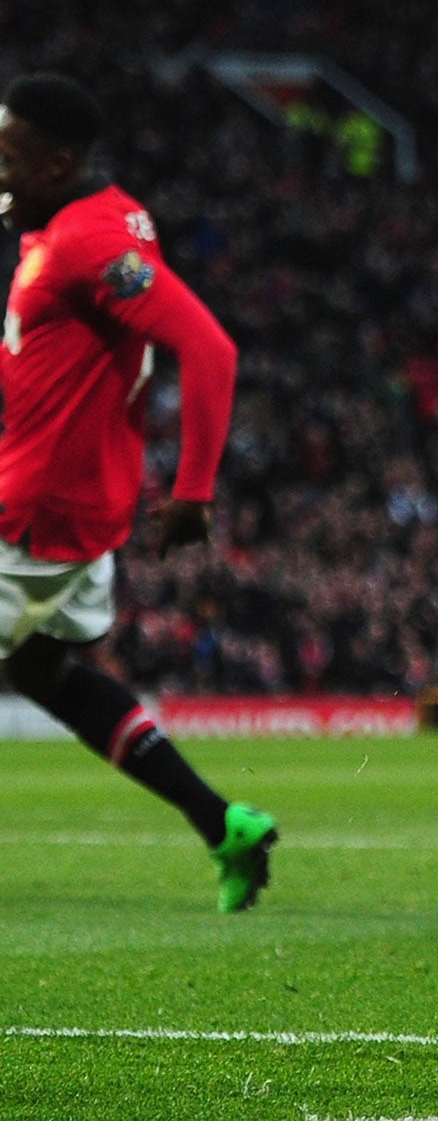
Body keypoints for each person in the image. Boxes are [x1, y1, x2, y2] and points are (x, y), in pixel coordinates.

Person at [0, 73, 275, 911]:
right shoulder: (88, 223)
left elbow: (211, 349)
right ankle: (222, 821)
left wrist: (194, 491)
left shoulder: (91, 244)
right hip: (72, 508)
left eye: (8, 157)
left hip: (35, 512)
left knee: (45, 669)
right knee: (48, 674)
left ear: (54, 162)